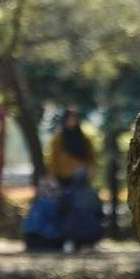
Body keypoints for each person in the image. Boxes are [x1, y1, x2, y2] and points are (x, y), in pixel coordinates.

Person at [45, 107, 101, 253]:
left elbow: (91, 160)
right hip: (62, 179)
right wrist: (51, 177)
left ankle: (83, 240)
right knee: (64, 208)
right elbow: (52, 160)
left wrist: (89, 173)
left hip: (80, 180)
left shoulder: (84, 139)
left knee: (81, 210)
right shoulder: (58, 138)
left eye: (75, 119)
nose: (72, 121)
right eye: (70, 119)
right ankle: (66, 239)